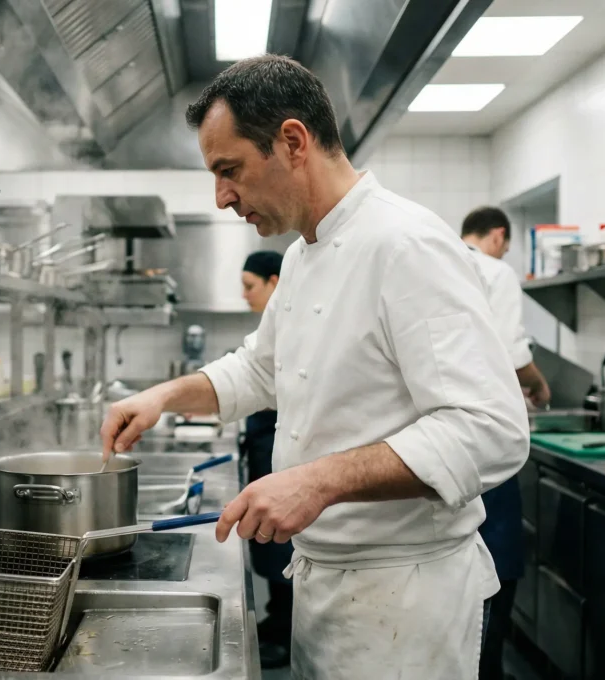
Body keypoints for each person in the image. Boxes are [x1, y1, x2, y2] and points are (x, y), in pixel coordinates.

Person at [99, 55, 529, 678]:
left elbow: (490, 428)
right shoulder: (304, 256)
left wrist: (316, 481)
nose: (222, 197)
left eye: (229, 170)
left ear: (293, 142)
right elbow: (259, 371)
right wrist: (163, 395)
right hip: (327, 585)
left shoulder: (405, 243)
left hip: (404, 602)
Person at [461, 206, 551, 680]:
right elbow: (514, 352)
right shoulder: (496, 271)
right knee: (494, 567)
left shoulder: (440, 259)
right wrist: (538, 385)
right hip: (484, 447)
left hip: (439, 450)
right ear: (499, 236)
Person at [238, 249, 293, 669]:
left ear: (275, 282)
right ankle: (278, 624)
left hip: (281, 452)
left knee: (282, 545)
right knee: (271, 543)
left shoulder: (294, 321)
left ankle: (284, 631)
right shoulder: (276, 322)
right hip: (263, 445)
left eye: (250, 286)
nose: (245, 295)